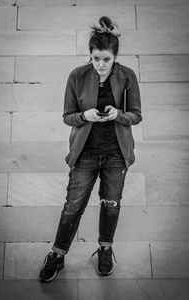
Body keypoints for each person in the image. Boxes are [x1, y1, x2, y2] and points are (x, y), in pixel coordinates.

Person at [39, 16, 142, 283]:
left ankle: (105, 249)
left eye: (106, 59)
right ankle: (57, 255)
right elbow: (67, 117)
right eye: (96, 58)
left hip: (116, 154)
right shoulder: (77, 76)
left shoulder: (128, 76)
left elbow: (136, 116)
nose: (100, 64)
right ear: (90, 55)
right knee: (73, 206)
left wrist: (117, 114)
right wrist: (85, 116)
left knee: (111, 204)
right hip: (85, 153)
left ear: (115, 57)